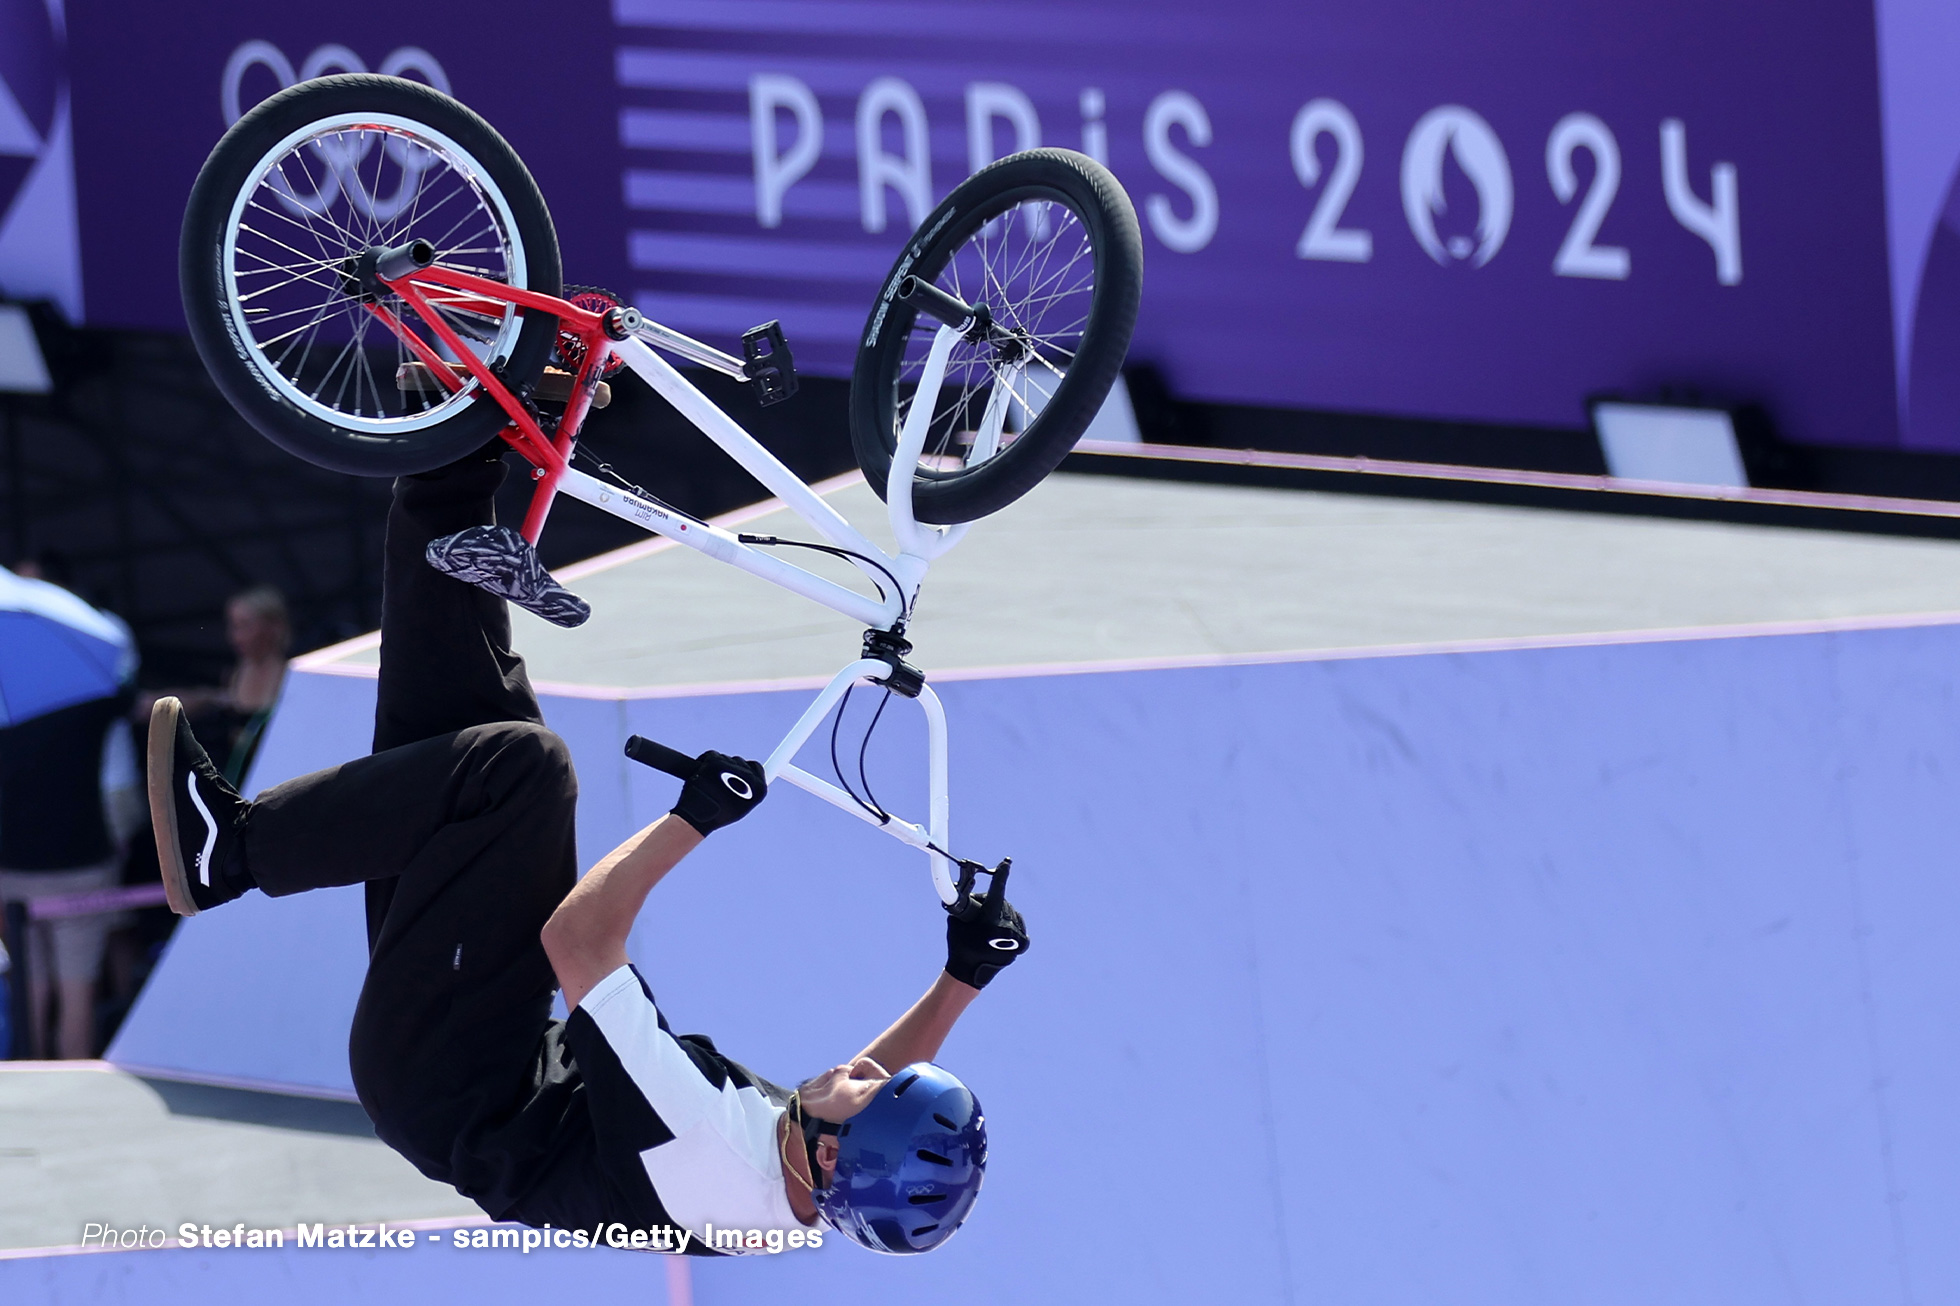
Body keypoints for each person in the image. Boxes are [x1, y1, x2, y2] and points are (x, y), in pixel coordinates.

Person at [144, 446, 1029, 1254]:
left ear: (833, 1161)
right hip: (493, 1047)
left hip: (449, 1070)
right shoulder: (801, 1190)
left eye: (870, 1093)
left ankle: (233, 851)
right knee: (478, 726)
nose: (863, 1069)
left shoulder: (711, 1156)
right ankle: (453, 452)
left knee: (522, 771)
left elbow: (578, 943)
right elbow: (875, 1084)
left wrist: (691, 820)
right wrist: (963, 977)